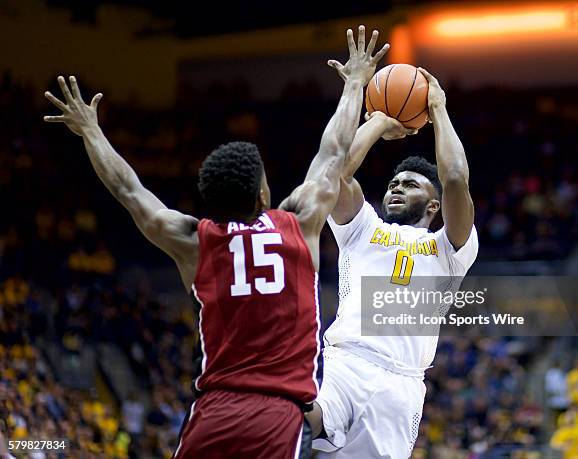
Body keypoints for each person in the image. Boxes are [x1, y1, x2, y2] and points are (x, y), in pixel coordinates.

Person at [43, 25, 389, 459]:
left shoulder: (195, 241)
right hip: (277, 414)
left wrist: (90, 131)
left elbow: (129, 191)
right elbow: (333, 153)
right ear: (263, 194)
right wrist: (356, 81)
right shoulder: (298, 222)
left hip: (215, 411)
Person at [307, 68, 479, 458]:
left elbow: (454, 177)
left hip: (400, 385)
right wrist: (379, 122)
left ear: (434, 204)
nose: (397, 187)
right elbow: (333, 174)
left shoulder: (450, 249)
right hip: (345, 361)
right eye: (393, 183)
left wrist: (438, 109)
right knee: (297, 420)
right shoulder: (361, 227)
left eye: (411, 184)